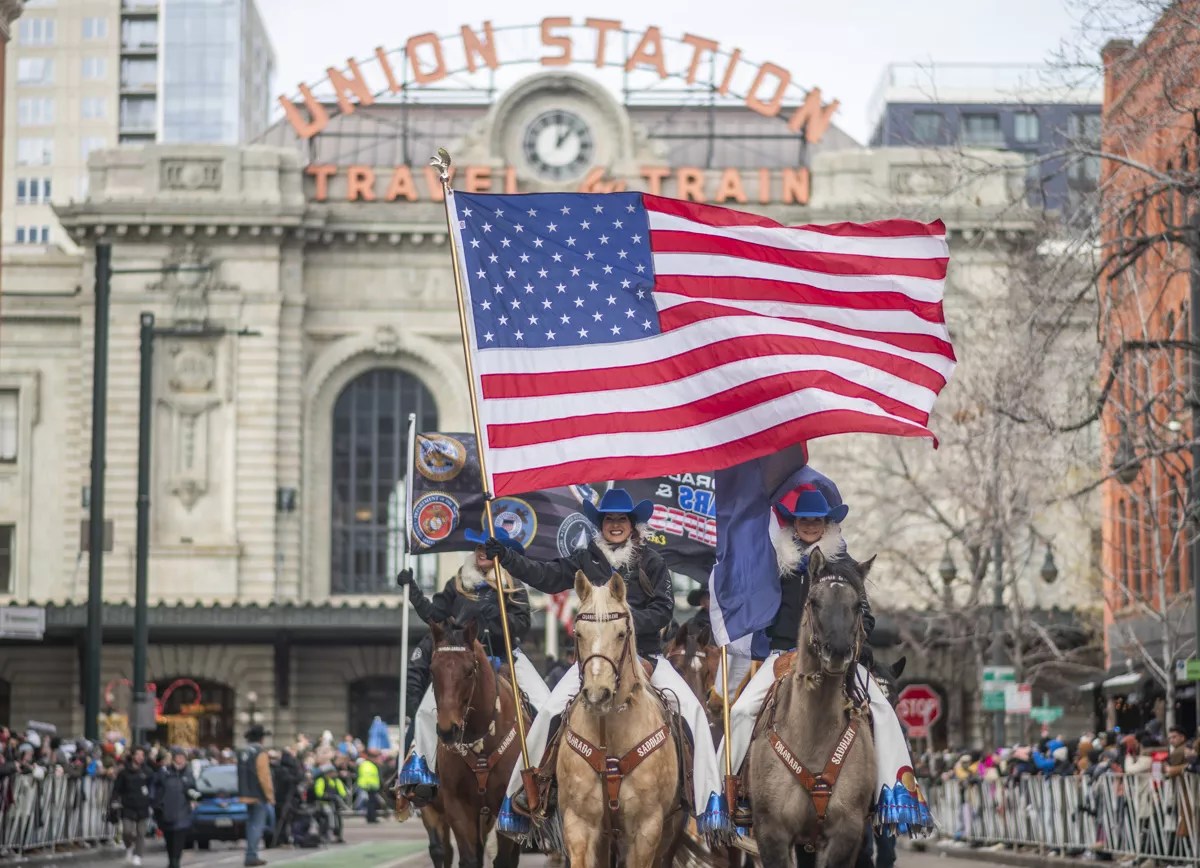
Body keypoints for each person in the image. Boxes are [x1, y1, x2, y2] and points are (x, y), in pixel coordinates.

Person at [497, 487, 723, 832]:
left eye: (621, 519)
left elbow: (664, 610)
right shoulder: (585, 557)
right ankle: (525, 795)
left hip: (645, 656)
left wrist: (626, 624)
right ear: (600, 524)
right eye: (609, 519)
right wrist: (508, 559)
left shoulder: (652, 561)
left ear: (632, 524)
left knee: (691, 711)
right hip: (593, 661)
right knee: (547, 712)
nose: (615, 525)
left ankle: (708, 803)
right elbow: (547, 576)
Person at [715, 481, 926, 835]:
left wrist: (850, 638)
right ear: (792, 522)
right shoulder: (773, 559)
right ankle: (729, 796)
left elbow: (867, 616)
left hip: (838, 655)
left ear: (827, 523)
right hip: (785, 653)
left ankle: (895, 795)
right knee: (739, 712)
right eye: (803, 518)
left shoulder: (844, 564)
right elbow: (750, 596)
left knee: (883, 711)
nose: (810, 524)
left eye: (816, 519)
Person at [396, 526, 549, 806]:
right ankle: (420, 774)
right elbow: (436, 616)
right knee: (425, 712)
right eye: (479, 548)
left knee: (546, 706)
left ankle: (545, 776)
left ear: (500, 555)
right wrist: (414, 591)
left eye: (487, 549)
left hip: (504, 657)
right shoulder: (458, 584)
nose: (482, 553)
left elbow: (523, 626)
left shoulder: (513, 586)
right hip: (462, 660)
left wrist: (499, 620)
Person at [236, 725, 275, 868]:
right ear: (261, 738)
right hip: (258, 795)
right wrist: (270, 795)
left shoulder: (242, 752)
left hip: (245, 794)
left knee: (250, 825)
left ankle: (250, 854)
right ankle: (252, 855)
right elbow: (264, 776)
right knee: (257, 826)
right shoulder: (260, 752)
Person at [152, 748, 197, 868]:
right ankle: (172, 860)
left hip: (183, 811)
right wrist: (156, 804)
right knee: (170, 839)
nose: (181, 760)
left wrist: (195, 799)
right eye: (178, 757)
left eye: (183, 757)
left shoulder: (188, 773)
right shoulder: (164, 772)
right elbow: (155, 789)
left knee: (179, 839)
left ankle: (176, 861)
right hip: (167, 811)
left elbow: (194, 790)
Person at [112, 747, 152, 866]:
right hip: (128, 806)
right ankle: (129, 846)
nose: (140, 757)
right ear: (133, 756)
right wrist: (114, 801)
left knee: (141, 832)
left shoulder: (147, 772)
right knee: (127, 831)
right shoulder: (124, 773)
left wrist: (153, 802)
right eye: (138, 754)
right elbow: (117, 789)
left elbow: (153, 788)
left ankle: (138, 854)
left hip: (143, 806)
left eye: (142, 755)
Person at [312, 763, 347, 844]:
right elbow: (319, 793)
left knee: (338, 818)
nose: (333, 773)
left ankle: (338, 835)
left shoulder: (337, 781)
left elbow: (343, 792)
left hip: (335, 803)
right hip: (324, 803)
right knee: (328, 815)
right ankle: (324, 835)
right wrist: (329, 797)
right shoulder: (321, 781)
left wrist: (339, 797)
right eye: (331, 772)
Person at [356, 750, 382, 824]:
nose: (377, 759)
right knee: (372, 803)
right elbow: (367, 776)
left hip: (370, 786)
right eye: (376, 758)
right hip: (369, 787)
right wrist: (369, 785)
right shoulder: (368, 765)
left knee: (371, 803)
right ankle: (371, 818)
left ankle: (370, 817)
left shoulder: (368, 764)